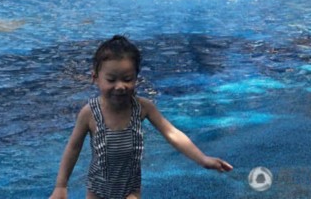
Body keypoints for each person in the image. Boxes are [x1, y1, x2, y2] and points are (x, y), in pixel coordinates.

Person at [49, 35, 232, 199]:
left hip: (131, 190)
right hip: (97, 191)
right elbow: (73, 147)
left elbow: (172, 134)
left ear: (136, 77)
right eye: (111, 80)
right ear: (95, 78)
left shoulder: (142, 108)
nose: (120, 86)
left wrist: (202, 159)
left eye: (127, 79)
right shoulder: (90, 112)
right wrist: (61, 186)